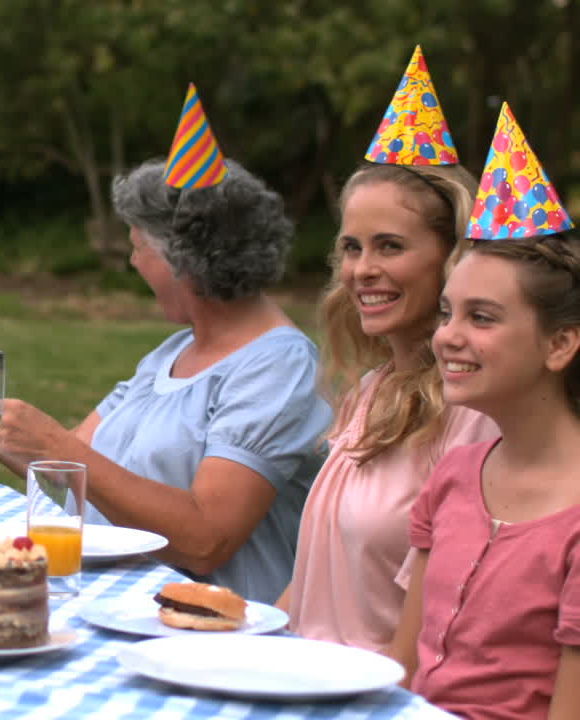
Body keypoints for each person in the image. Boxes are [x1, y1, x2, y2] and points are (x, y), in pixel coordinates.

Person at [0, 156, 331, 603]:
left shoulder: (278, 367)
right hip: (118, 608)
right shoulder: (171, 353)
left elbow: (205, 539)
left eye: (138, 248)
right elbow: (70, 471)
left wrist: (57, 446)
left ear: (183, 260)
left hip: (209, 633)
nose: (133, 263)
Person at [279, 48, 498, 652]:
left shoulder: (474, 414)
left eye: (390, 247)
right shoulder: (368, 394)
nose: (362, 271)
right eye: (351, 248)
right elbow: (314, 586)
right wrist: (247, 636)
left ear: (452, 258)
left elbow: (437, 624)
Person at [388, 107, 580, 719]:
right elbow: (401, 674)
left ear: (560, 344)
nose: (447, 337)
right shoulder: (454, 474)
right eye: (447, 313)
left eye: (483, 317)